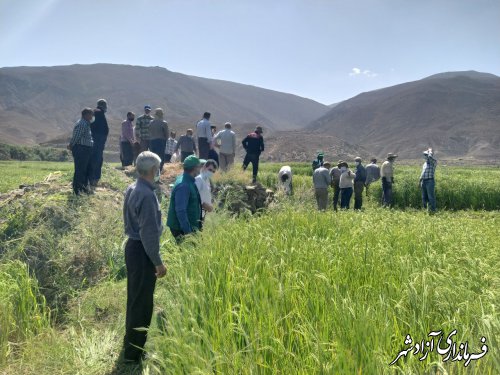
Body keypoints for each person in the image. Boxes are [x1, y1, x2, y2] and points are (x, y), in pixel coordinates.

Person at [122, 151, 166, 362]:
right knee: (142, 303)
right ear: (153, 170)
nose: (159, 172)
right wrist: (158, 263)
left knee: (135, 298)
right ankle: (133, 353)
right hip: (142, 252)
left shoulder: (133, 188)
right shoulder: (147, 195)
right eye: (158, 169)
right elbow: (148, 235)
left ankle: (130, 345)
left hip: (133, 248)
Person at [166, 155, 203, 242]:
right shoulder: (184, 186)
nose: (200, 169)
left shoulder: (188, 180)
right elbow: (181, 211)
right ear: (194, 168)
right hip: (182, 228)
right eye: (199, 166)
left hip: (189, 225)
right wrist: (188, 233)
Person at [68, 108, 94, 195]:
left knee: (85, 170)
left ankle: (83, 188)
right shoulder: (82, 123)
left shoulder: (86, 124)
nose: (92, 116)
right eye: (90, 114)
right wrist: (71, 145)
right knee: (80, 170)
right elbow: (76, 136)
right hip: (81, 149)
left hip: (85, 149)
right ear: (85, 115)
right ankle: (77, 190)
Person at [89, 99, 109, 187]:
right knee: (96, 159)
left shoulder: (96, 112)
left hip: (96, 140)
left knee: (95, 158)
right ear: (104, 106)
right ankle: (94, 178)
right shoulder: (97, 112)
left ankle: (93, 178)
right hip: (96, 141)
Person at [420, 148, 437, 213]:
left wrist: (430, 151)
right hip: (424, 181)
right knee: (424, 197)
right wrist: (420, 181)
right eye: (425, 155)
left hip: (430, 181)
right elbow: (422, 173)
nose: (425, 156)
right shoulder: (425, 164)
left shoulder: (434, 162)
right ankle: (426, 210)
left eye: (426, 155)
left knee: (431, 197)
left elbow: (430, 157)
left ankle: (432, 210)